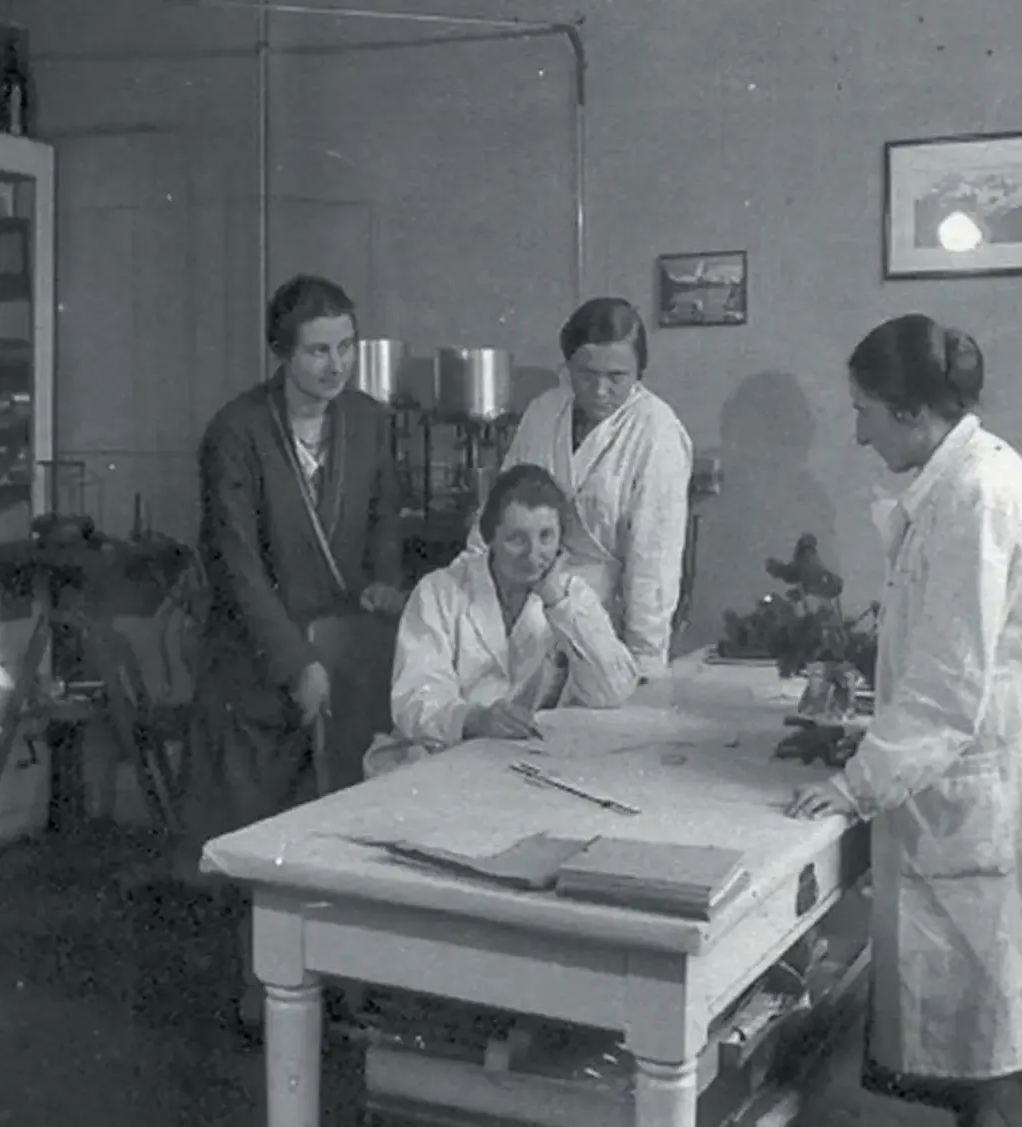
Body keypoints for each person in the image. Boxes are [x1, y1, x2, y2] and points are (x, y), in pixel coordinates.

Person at [786, 314, 1022, 1127]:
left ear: (911, 412)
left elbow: (946, 689)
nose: (857, 433)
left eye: (864, 412)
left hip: (1011, 785)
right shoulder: (963, 480)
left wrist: (852, 787)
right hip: (1013, 766)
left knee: (1008, 1035)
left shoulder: (976, 496)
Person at [186, 273, 405, 1029]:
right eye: (317, 351)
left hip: (340, 654)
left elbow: (384, 517)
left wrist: (381, 583)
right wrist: (294, 662)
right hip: (254, 661)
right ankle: (263, 1005)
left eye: (345, 347)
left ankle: (342, 992)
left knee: (339, 826)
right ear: (281, 353)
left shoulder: (372, 422)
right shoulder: (236, 430)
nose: (334, 366)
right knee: (261, 833)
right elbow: (235, 562)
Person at [470, 297, 694, 680]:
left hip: (604, 616)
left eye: (617, 377)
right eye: (587, 374)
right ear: (567, 367)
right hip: (523, 592)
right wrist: (469, 578)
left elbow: (653, 559)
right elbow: (502, 506)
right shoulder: (545, 411)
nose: (601, 390)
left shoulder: (658, 432)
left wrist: (644, 658)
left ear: (640, 371)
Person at [367, 463, 640, 776]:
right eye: (517, 539)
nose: (534, 555)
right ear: (490, 537)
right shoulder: (439, 591)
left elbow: (613, 690)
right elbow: (414, 700)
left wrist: (557, 604)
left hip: (520, 763)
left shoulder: (570, 596)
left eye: (546, 536)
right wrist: (474, 719)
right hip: (434, 757)